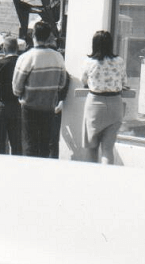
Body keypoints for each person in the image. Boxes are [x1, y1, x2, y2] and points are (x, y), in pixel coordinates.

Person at [11, 21, 69, 158]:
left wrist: (22, 94)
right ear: (49, 36)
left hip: (29, 107)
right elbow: (62, 83)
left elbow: (16, 87)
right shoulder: (58, 57)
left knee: (30, 145)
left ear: (33, 36)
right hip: (49, 107)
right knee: (44, 145)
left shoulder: (26, 57)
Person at [79, 30, 128, 164]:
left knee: (92, 147)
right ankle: (107, 180)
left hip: (95, 104)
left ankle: (92, 180)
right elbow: (124, 82)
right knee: (107, 149)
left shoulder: (89, 62)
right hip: (115, 104)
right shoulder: (119, 61)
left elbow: (83, 80)